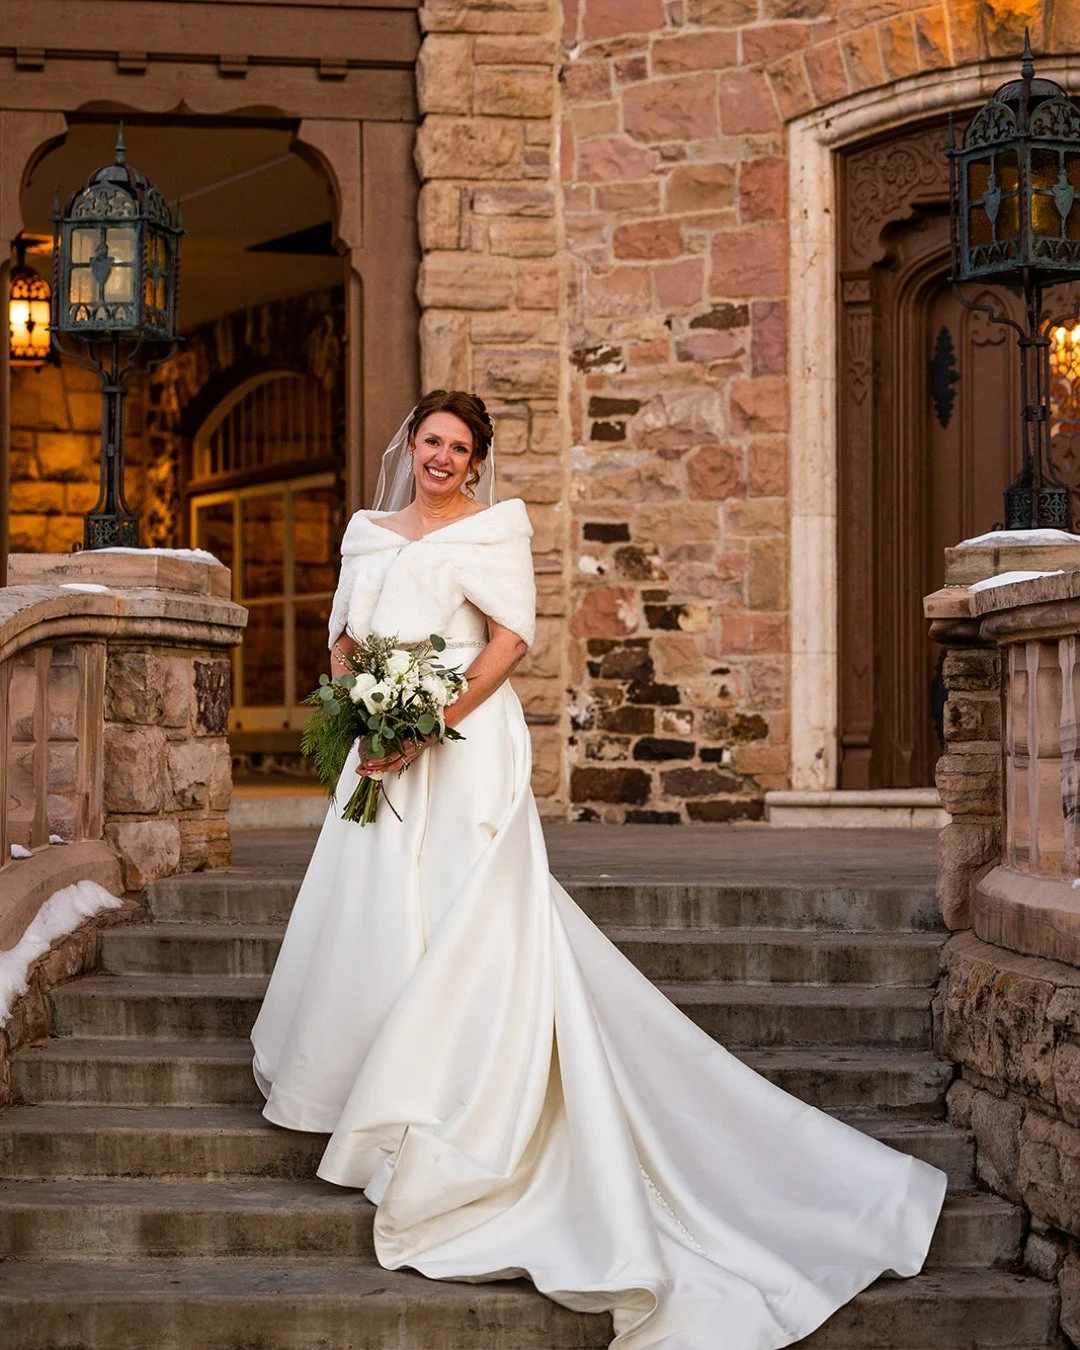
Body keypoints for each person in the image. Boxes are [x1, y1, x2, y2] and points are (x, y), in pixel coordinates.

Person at [251, 389, 946, 1350]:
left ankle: (449, 1096)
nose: (442, 458)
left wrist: (429, 723)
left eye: (459, 446)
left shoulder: (495, 529)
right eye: (431, 442)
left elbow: (508, 643)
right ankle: (367, 1077)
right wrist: (361, 707)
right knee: (373, 907)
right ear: (409, 447)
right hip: (379, 742)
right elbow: (342, 634)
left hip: (461, 744)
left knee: (466, 914)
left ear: (478, 458)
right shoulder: (368, 531)